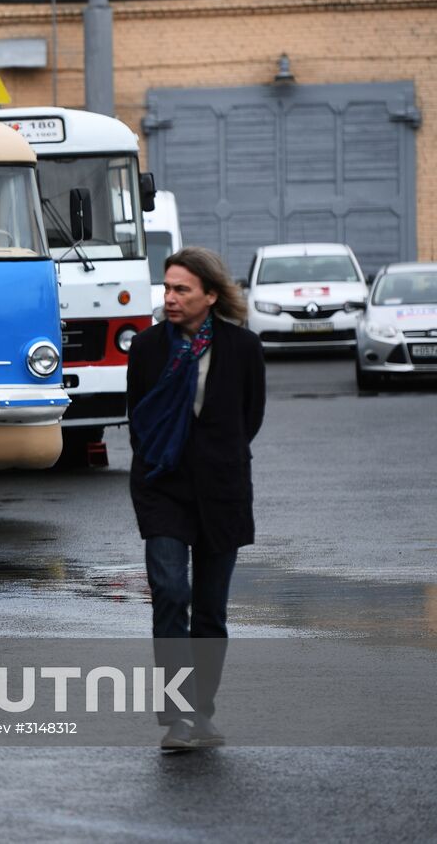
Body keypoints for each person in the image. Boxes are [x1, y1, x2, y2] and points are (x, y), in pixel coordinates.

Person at [126, 246, 265, 751]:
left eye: (182, 289)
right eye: (167, 288)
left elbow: (249, 419)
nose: (171, 298)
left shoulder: (243, 349)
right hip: (163, 487)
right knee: (170, 594)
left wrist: (217, 459)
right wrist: (161, 464)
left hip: (222, 491)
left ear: (210, 294)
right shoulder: (145, 350)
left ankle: (202, 713)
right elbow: (139, 419)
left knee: (209, 610)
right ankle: (177, 718)